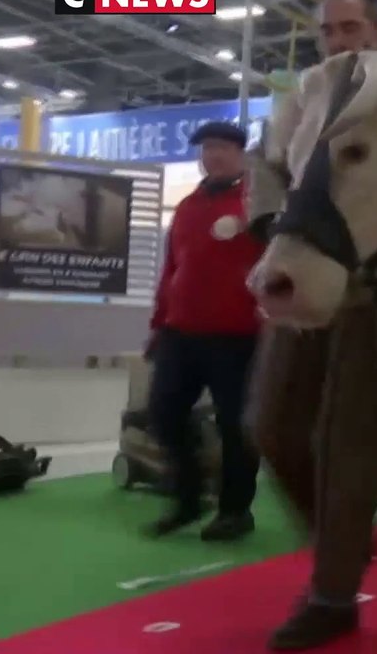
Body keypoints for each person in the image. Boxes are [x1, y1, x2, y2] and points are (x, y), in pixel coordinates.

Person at [245, 0, 377, 650]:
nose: (337, 41)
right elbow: (268, 166)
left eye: (350, 27)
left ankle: (333, 595)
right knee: (270, 424)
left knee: (352, 442)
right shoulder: (303, 96)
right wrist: (274, 227)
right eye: (328, 30)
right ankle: (344, 538)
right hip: (306, 277)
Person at [145, 120, 263, 541]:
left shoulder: (258, 204)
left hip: (239, 335)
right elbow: (172, 270)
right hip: (181, 332)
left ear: (240, 154)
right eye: (206, 148)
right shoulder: (187, 207)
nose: (212, 154)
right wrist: (159, 326)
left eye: (221, 147)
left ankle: (235, 511)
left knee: (237, 427)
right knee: (162, 414)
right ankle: (188, 499)